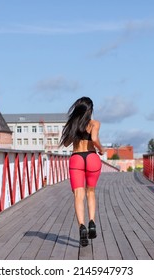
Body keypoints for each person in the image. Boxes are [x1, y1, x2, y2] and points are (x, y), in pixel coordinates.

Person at [59, 96, 105, 247]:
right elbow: (94, 138)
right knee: (90, 192)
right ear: (90, 110)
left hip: (77, 158)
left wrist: (73, 132)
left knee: (79, 195)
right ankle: (92, 222)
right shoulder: (94, 123)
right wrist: (101, 149)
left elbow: (66, 143)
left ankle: (82, 227)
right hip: (92, 157)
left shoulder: (73, 124)